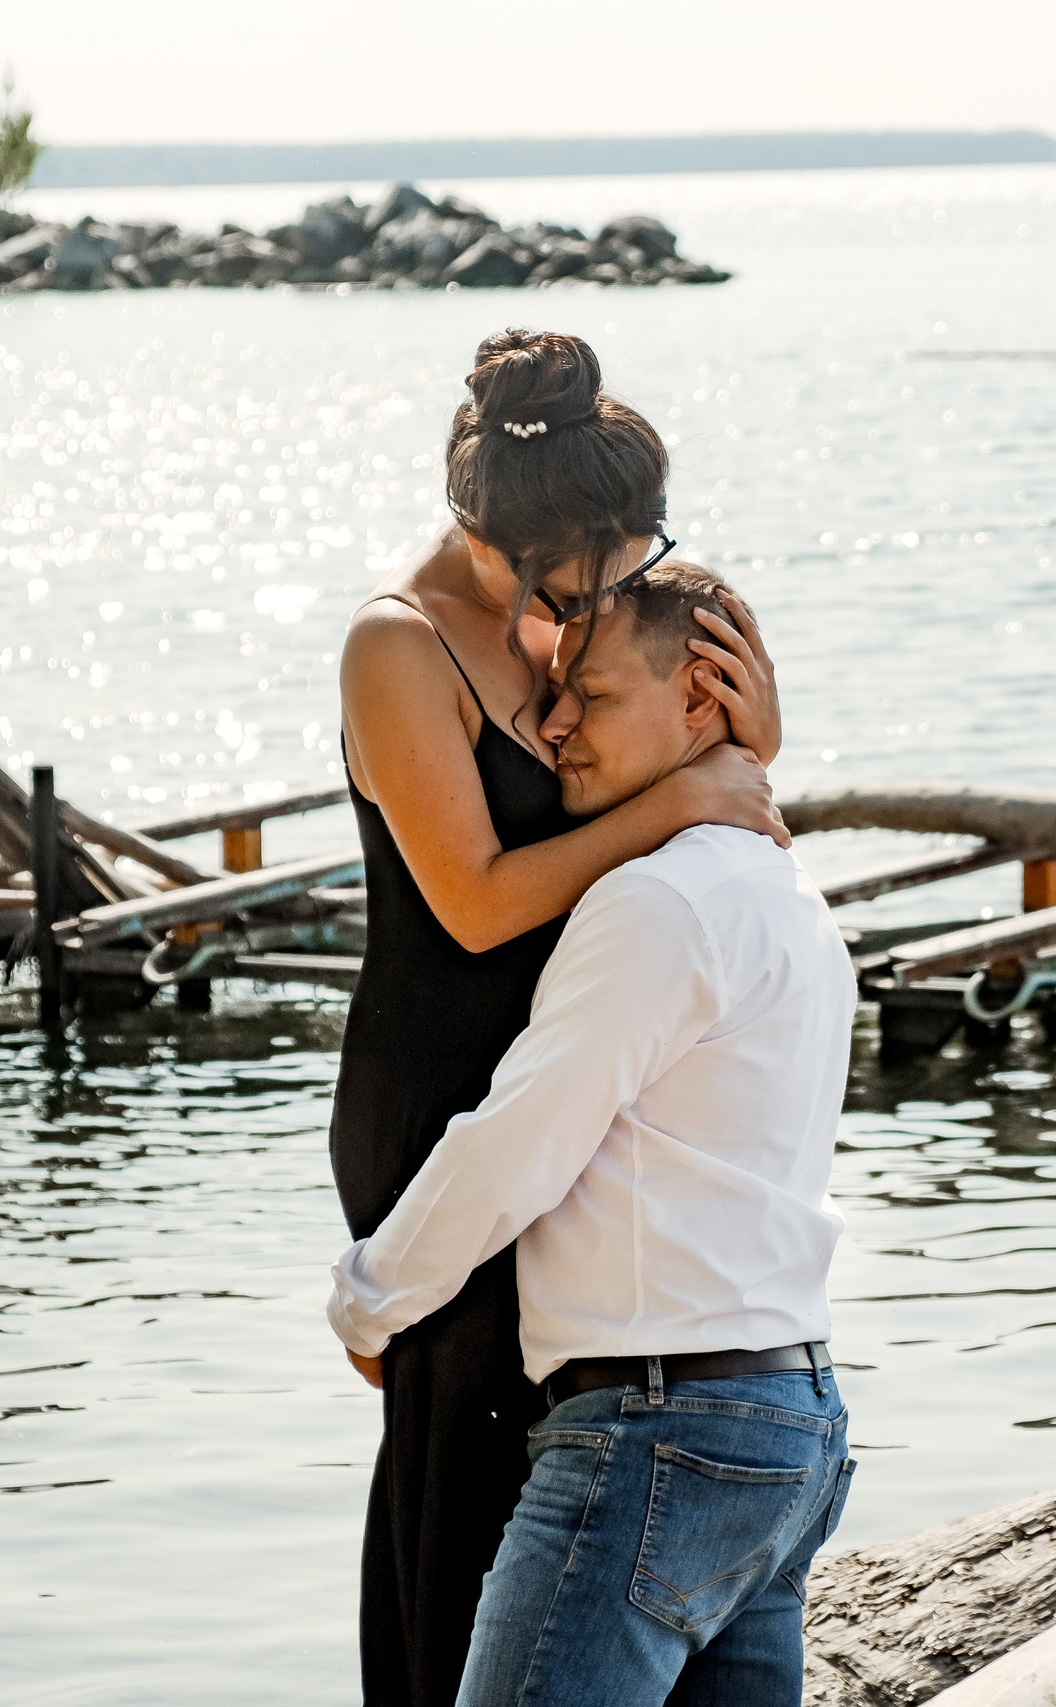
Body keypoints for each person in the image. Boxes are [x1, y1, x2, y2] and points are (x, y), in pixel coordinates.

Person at [333, 329, 786, 1707]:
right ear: (511, 549)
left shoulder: (575, 605)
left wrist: (744, 751)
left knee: (584, 1481)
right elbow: (472, 901)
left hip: (576, 1083)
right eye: (602, 568)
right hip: (448, 1100)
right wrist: (689, 794)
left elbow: (698, 825)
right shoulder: (398, 645)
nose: (622, 589)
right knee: (466, 1509)